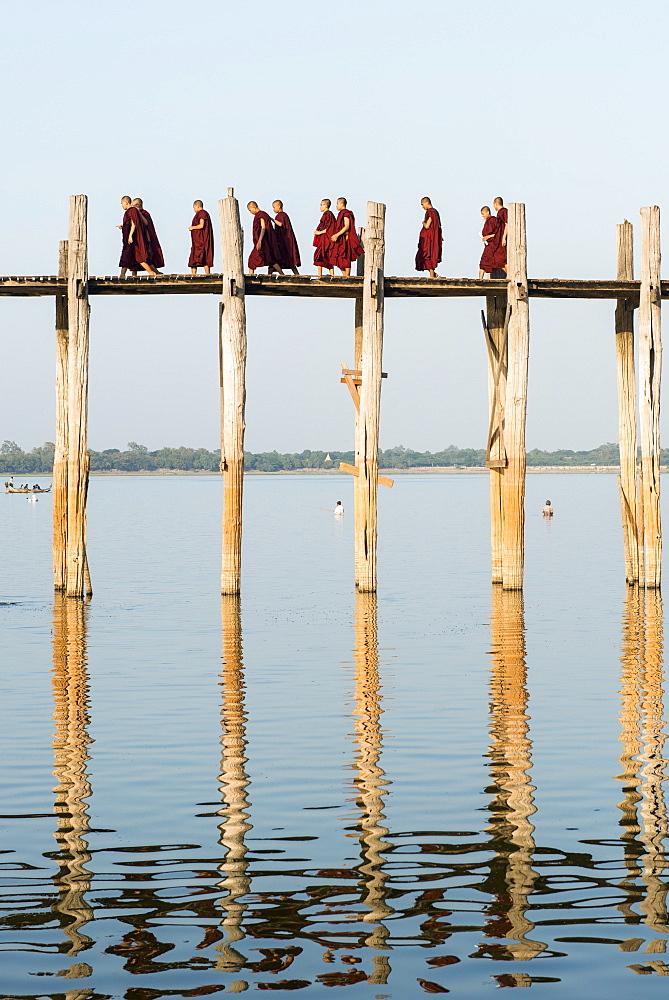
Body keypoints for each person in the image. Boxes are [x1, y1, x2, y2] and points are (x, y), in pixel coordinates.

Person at [247, 202, 284, 275]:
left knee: (252, 260)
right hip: (264, 242)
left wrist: (260, 240)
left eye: (250, 210)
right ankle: (282, 274)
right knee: (270, 259)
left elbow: (263, 228)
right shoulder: (263, 214)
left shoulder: (261, 215)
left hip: (263, 242)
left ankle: (251, 276)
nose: (250, 212)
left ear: (254, 207)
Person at [330, 198, 364, 276]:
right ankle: (345, 275)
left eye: (337, 204)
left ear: (342, 204)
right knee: (336, 257)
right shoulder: (341, 213)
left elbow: (347, 226)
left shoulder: (346, 213)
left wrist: (336, 235)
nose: (336, 206)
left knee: (346, 257)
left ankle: (347, 275)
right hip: (340, 239)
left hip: (345, 238)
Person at [132, 199, 164, 273]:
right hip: (136, 239)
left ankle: (155, 272)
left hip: (145, 238)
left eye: (136, 205)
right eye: (133, 205)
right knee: (134, 258)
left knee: (145, 257)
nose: (134, 207)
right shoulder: (133, 213)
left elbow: (146, 223)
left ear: (140, 205)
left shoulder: (145, 213)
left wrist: (139, 214)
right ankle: (134, 276)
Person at [415, 196, 443, 278]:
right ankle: (433, 274)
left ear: (426, 203)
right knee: (429, 254)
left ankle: (432, 275)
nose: (422, 207)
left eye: (422, 204)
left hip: (428, 237)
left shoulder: (430, 212)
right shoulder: (435, 212)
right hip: (433, 236)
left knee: (427, 254)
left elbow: (427, 225)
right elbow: (438, 226)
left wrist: (423, 222)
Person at [272, 200, 301, 275]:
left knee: (288, 258)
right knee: (284, 258)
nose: (273, 209)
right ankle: (272, 273)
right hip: (282, 239)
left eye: (274, 207)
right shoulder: (281, 215)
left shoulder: (282, 215)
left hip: (285, 240)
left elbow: (280, 224)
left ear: (279, 206)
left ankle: (295, 274)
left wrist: (271, 219)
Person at [188, 200, 214, 275]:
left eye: (194, 208)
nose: (194, 210)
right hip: (196, 241)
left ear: (197, 206)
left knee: (204, 256)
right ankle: (193, 275)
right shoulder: (201, 214)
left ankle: (207, 274)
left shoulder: (202, 213)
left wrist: (192, 227)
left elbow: (201, 225)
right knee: (194, 257)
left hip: (201, 241)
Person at [313, 199, 336, 276]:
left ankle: (332, 275)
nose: (320, 206)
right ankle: (320, 275)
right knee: (320, 256)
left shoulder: (328, 214)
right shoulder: (326, 214)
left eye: (321, 205)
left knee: (324, 255)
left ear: (326, 205)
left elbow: (330, 228)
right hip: (323, 239)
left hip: (327, 239)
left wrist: (319, 232)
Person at [118, 196, 139, 278]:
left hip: (130, 238)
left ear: (126, 202)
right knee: (131, 255)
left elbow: (134, 223)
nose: (122, 206)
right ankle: (133, 275)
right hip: (127, 237)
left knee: (126, 255)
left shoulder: (132, 210)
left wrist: (130, 235)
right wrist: (123, 226)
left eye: (122, 203)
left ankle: (122, 275)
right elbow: (130, 223)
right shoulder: (128, 212)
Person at [479, 206, 501, 278]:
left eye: (483, 214)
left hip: (493, 245)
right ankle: (479, 279)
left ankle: (509, 275)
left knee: (499, 262)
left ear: (488, 212)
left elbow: (497, 234)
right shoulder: (487, 221)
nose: (483, 216)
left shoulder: (492, 220)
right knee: (483, 263)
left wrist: (488, 237)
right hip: (488, 246)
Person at [492, 196, 508, 273]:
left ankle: (510, 274)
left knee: (501, 259)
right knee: (497, 259)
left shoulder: (503, 211)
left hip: (502, 237)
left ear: (496, 203)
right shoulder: (499, 212)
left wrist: (504, 237)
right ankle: (509, 274)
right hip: (499, 237)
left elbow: (507, 224)